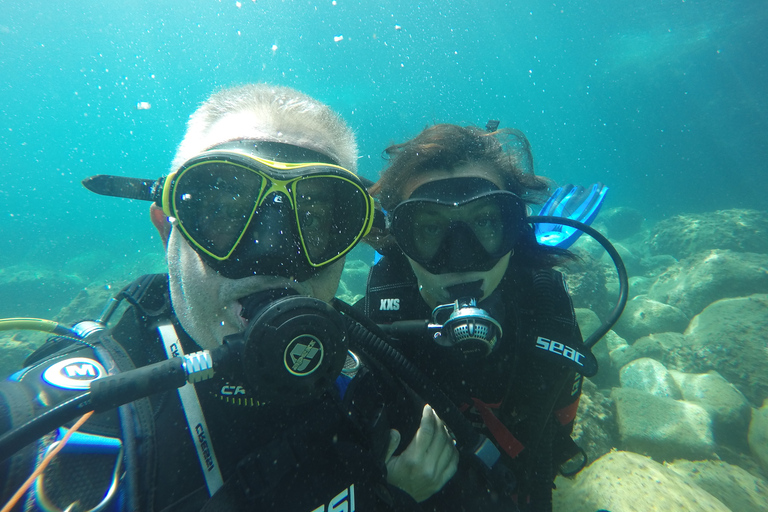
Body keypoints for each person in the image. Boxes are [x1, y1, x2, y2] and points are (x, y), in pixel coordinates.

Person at [0, 85, 458, 511]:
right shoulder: (52, 425)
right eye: (221, 211)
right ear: (166, 229)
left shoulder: (374, 383)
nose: (274, 255)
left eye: (314, 219)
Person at [359, 124, 589, 512]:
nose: (461, 258)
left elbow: (547, 449)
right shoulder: (378, 325)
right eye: (430, 228)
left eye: (485, 221)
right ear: (401, 240)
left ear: (514, 228)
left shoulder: (544, 308)